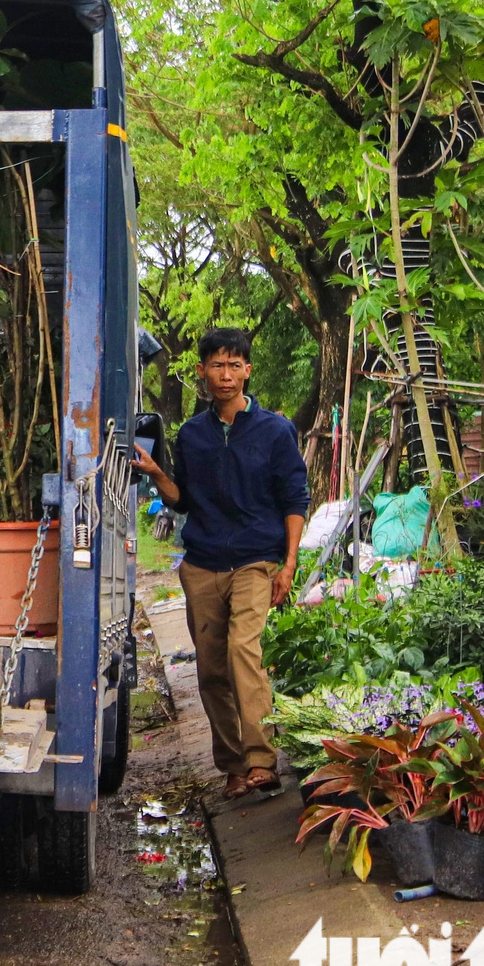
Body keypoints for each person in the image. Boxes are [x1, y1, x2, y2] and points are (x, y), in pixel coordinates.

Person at [131, 327, 309, 800]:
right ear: (201, 371)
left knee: (241, 652)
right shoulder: (192, 434)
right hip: (203, 563)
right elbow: (183, 499)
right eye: (217, 365)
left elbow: (295, 499)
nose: (225, 375)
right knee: (210, 668)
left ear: (247, 371)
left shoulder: (275, 430)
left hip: (256, 560)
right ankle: (232, 766)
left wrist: (288, 564)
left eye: (235, 365)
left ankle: (261, 760)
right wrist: (155, 474)